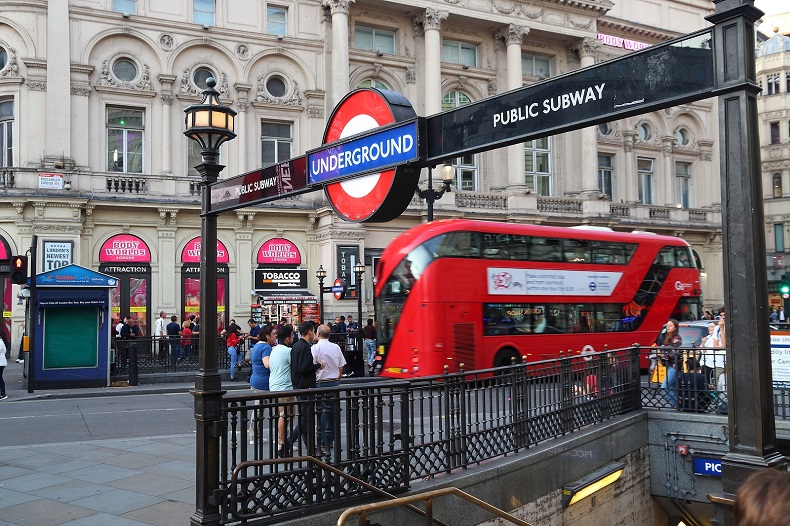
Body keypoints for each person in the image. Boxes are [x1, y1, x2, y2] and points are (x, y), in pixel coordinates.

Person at [288, 322, 323, 451]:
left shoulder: (296, 345)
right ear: (309, 332)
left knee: (305, 418)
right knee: (305, 419)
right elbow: (304, 368)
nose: (314, 333)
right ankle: (287, 444)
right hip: (305, 386)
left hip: (298, 385)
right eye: (313, 331)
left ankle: (310, 447)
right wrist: (318, 365)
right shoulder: (305, 347)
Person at [312, 324, 347, 450]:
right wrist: (339, 374)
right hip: (334, 382)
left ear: (318, 334)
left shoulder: (315, 348)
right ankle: (331, 438)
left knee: (321, 411)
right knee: (332, 411)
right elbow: (341, 366)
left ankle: (322, 440)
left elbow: (312, 364)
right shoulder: (336, 347)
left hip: (321, 382)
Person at [269, 325, 295, 457]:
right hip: (284, 387)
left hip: (275, 386)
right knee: (285, 415)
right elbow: (296, 367)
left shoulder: (275, 349)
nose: (293, 337)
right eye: (292, 335)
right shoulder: (287, 351)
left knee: (285, 415)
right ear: (287, 337)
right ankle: (281, 443)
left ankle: (282, 441)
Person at [658, 319, 682, 408]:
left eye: (670, 325)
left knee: (665, 386)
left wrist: (662, 353)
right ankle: (678, 404)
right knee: (672, 387)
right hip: (669, 366)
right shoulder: (667, 337)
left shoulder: (677, 338)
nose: (668, 327)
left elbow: (673, 353)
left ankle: (676, 405)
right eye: (667, 325)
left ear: (675, 328)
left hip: (674, 366)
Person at [249, 325, 275, 391]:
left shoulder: (257, 345)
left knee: (258, 401)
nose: (275, 336)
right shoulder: (266, 347)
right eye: (273, 334)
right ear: (267, 336)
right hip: (263, 381)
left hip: (255, 379)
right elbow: (267, 364)